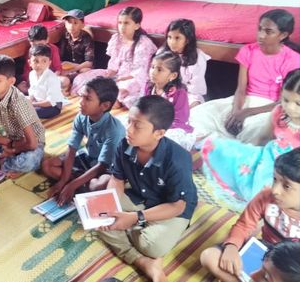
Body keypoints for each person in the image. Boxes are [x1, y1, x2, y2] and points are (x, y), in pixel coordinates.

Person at [97, 95, 197, 282]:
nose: (129, 130)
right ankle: (144, 262)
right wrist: (111, 205)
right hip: (139, 195)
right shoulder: (125, 144)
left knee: (152, 247)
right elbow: (117, 179)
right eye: (129, 122)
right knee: (99, 218)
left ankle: (139, 238)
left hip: (170, 207)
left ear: (159, 133)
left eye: (137, 126)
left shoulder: (178, 159)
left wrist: (135, 218)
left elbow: (177, 206)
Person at [190, 9, 300, 145]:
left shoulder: (292, 59)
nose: (261, 35)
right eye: (259, 29)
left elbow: (283, 101)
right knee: (198, 114)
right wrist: (236, 111)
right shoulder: (248, 51)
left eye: (268, 31)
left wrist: (247, 112)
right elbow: (241, 89)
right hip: (243, 100)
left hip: (269, 107)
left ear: (283, 35)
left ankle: (229, 148)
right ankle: (222, 146)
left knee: (256, 130)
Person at [202, 69, 300, 209]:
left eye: (298, 104)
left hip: (293, 172)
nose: (290, 107)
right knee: (223, 149)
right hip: (269, 162)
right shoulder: (278, 112)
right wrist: (245, 153)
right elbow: (263, 138)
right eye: (286, 100)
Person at [200, 148, 300, 282]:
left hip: (293, 266)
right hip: (265, 251)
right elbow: (244, 225)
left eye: (286, 186)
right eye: (275, 179)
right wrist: (232, 246)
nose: (275, 190)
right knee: (209, 256)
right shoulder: (266, 197)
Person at [42, 76, 124, 205]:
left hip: (106, 168)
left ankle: (79, 184)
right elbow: (72, 149)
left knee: (100, 185)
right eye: (82, 96)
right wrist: (63, 181)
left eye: (87, 99)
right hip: (88, 158)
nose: (81, 102)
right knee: (48, 165)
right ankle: (80, 184)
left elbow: (102, 165)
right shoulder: (81, 117)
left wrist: (71, 185)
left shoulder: (114, 130)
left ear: (105, 105)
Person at [71, 7, 157, 106]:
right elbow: (113, 65)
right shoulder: (116, 39)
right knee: (82, 78)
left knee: (122, 90)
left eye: (126, 23)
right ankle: (104, 98)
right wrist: (109, 75)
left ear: (137, 25)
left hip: (132, 79)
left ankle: (109, 99)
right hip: (116, 75)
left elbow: (139, 73)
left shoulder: (143, 44)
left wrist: (118, 80)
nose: (122, 27)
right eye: (120, 23)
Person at [145, 51, 195, 151]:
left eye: (159, 69)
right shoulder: (149, 86)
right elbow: (145, 108)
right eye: (152, 67)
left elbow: (180, 118)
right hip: (152, 123)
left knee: (166, 142)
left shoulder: (179, 93)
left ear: (172, 75)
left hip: (172, 126)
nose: (153, 72)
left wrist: (158, 127)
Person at [158, 19, 211, 108]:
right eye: (169, 37)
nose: (172, 42)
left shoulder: (198, 57)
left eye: (177, 38)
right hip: (166, 90)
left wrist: (179, 93)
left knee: (193, 105)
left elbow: (196, 86)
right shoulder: (162, 54)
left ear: (187, 39)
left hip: (188, 93)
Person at [58, 9, 95, 94]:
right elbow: (61, 57)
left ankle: (74, 86)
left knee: (85, 71)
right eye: (69, 22)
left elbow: (89, 62)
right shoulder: (65, 36)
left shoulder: (87, 38)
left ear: (82, 25)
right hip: (69, 66)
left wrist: (72, 70)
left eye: (75, 23)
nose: (71, 26)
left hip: (81, 66)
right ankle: (68, 86)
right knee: (59, 73)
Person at [17, 24, 62, 93]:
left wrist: (50, 80)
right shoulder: (30, 51)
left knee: (64, 81)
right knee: (20, 86)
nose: (38, 48)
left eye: (41, 44)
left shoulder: (53, 49)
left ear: (47, 40)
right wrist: (31, 82)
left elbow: (58, 69)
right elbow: (27, 71)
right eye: (34, 45)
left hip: (49, 79)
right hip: (35, 80)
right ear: (29, 41)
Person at [27, 44, 67, 119]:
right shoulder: (31, 74)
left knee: (29, 112)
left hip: (52, 106)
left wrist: (33, 104)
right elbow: (32, 90)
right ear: (29, 62)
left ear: (49, 63)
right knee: (20, 105)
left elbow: (50, 102)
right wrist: (30, 100)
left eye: (44, 61)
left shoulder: (52, 78)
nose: (39, 65)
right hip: (38, 101)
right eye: (36, 61)